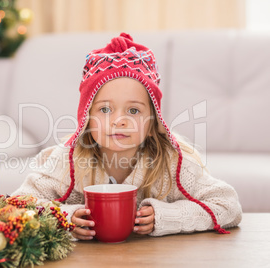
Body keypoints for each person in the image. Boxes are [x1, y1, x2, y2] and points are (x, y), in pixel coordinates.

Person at [12, 33, 242, 240]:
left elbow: (228, 205)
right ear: (86, 119)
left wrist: (169, 217)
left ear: (153, 123)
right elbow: (18, 206)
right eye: (104, 109)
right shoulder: (67, 161)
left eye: (133, 111)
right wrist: (65, 219)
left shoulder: (173, 162)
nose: (119, 120)